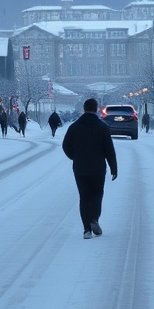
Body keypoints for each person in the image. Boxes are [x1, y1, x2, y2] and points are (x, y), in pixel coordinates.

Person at [62, 98, 118, 239]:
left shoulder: (74, 127)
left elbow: (66, 146)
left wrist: (74, 157)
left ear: (84, 108)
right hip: (98, 168)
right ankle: (94, 219)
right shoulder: (102, 127)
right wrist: (113, 168)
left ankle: (86, 229)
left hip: (80, 168)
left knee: (84, 196)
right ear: (96, 109)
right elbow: (109, 150)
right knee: (97, 194)